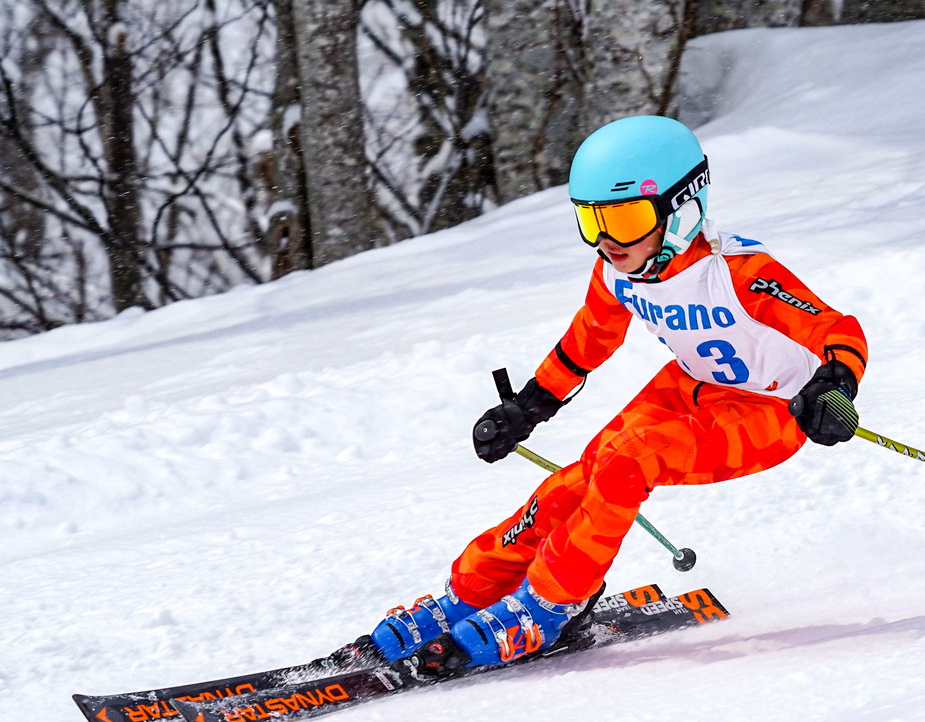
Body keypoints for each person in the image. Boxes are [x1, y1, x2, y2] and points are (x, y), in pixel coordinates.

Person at [369, 115, 868, 673]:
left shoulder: (739, 272)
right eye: (593, 220)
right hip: (692, 387)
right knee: (580, 479)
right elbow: (589, 339)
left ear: (682, 208)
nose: (607, 240)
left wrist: (835, 386)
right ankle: (471, 593)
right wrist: (527, 407)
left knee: (630, 462)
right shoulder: (618, 272)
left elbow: (837, 330)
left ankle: (551, 604)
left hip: (775, 411)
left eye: (626, 218)